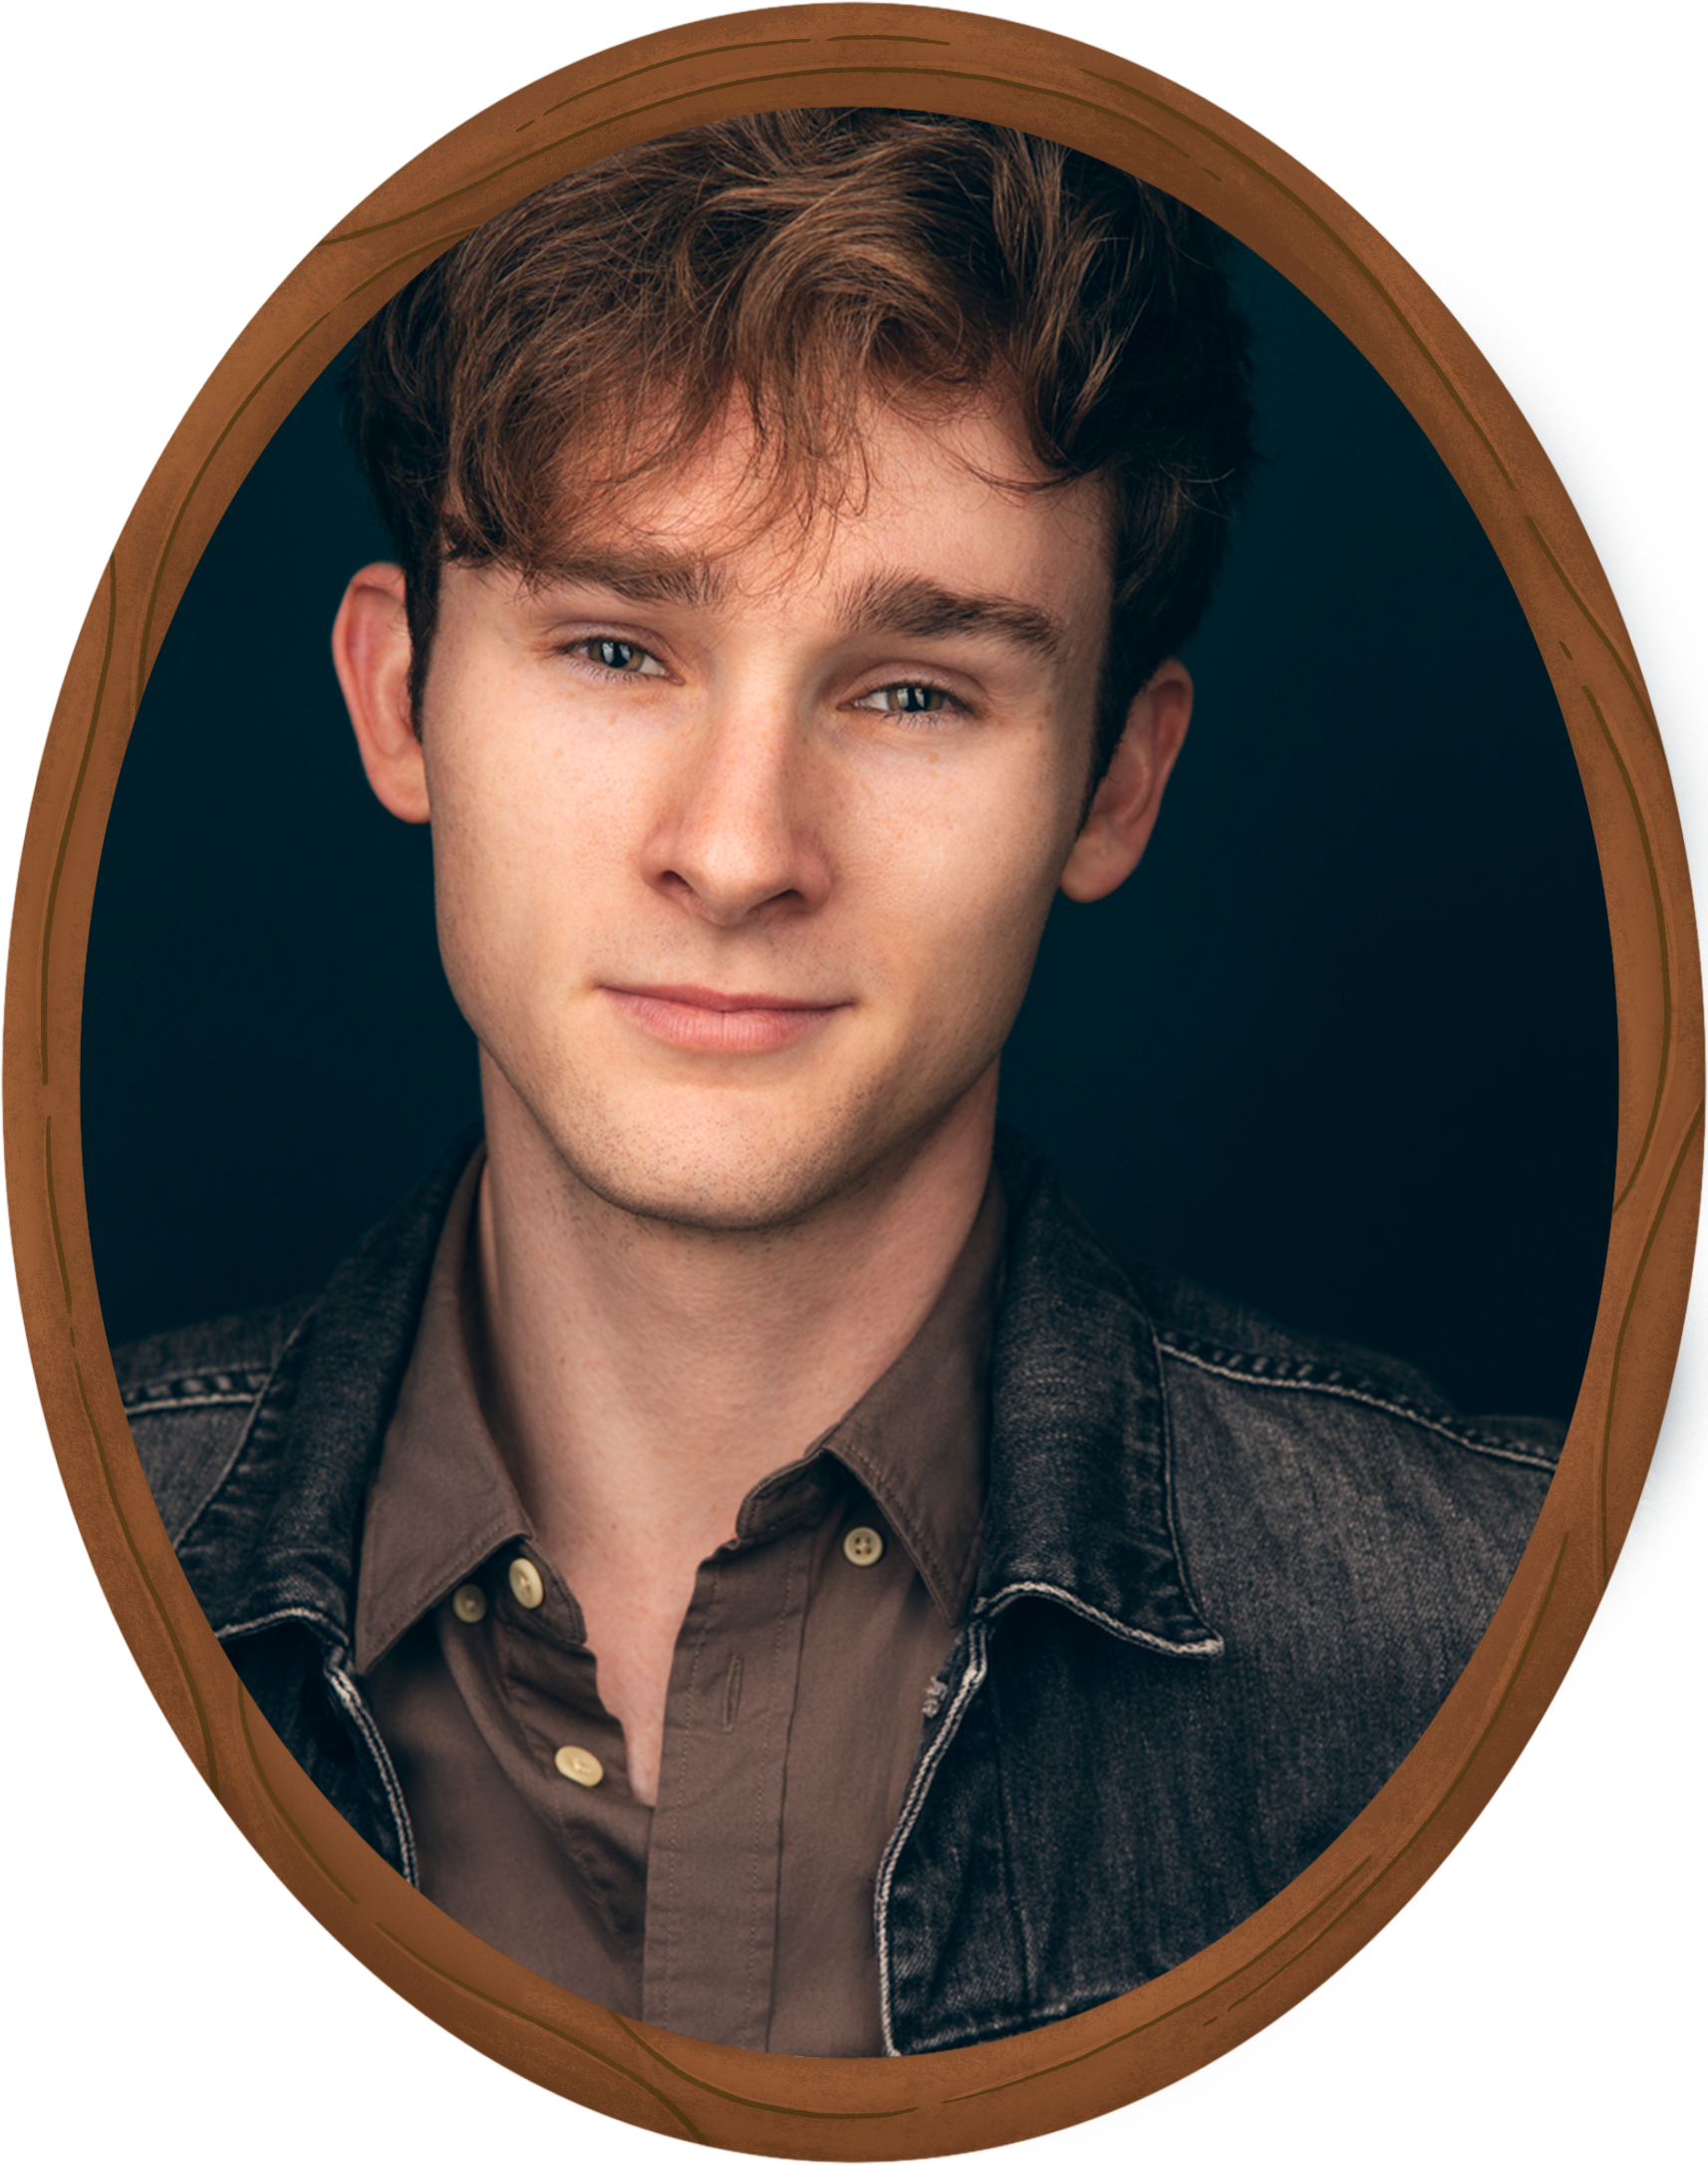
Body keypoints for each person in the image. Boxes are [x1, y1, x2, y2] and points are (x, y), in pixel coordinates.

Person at [115, 109, 1693, 2095]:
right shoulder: (54, 1615)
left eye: (911, 691)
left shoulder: (1552, 1662)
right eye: (615, 647)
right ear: (395, 697)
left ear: (1113, 781)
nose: (737, 846)